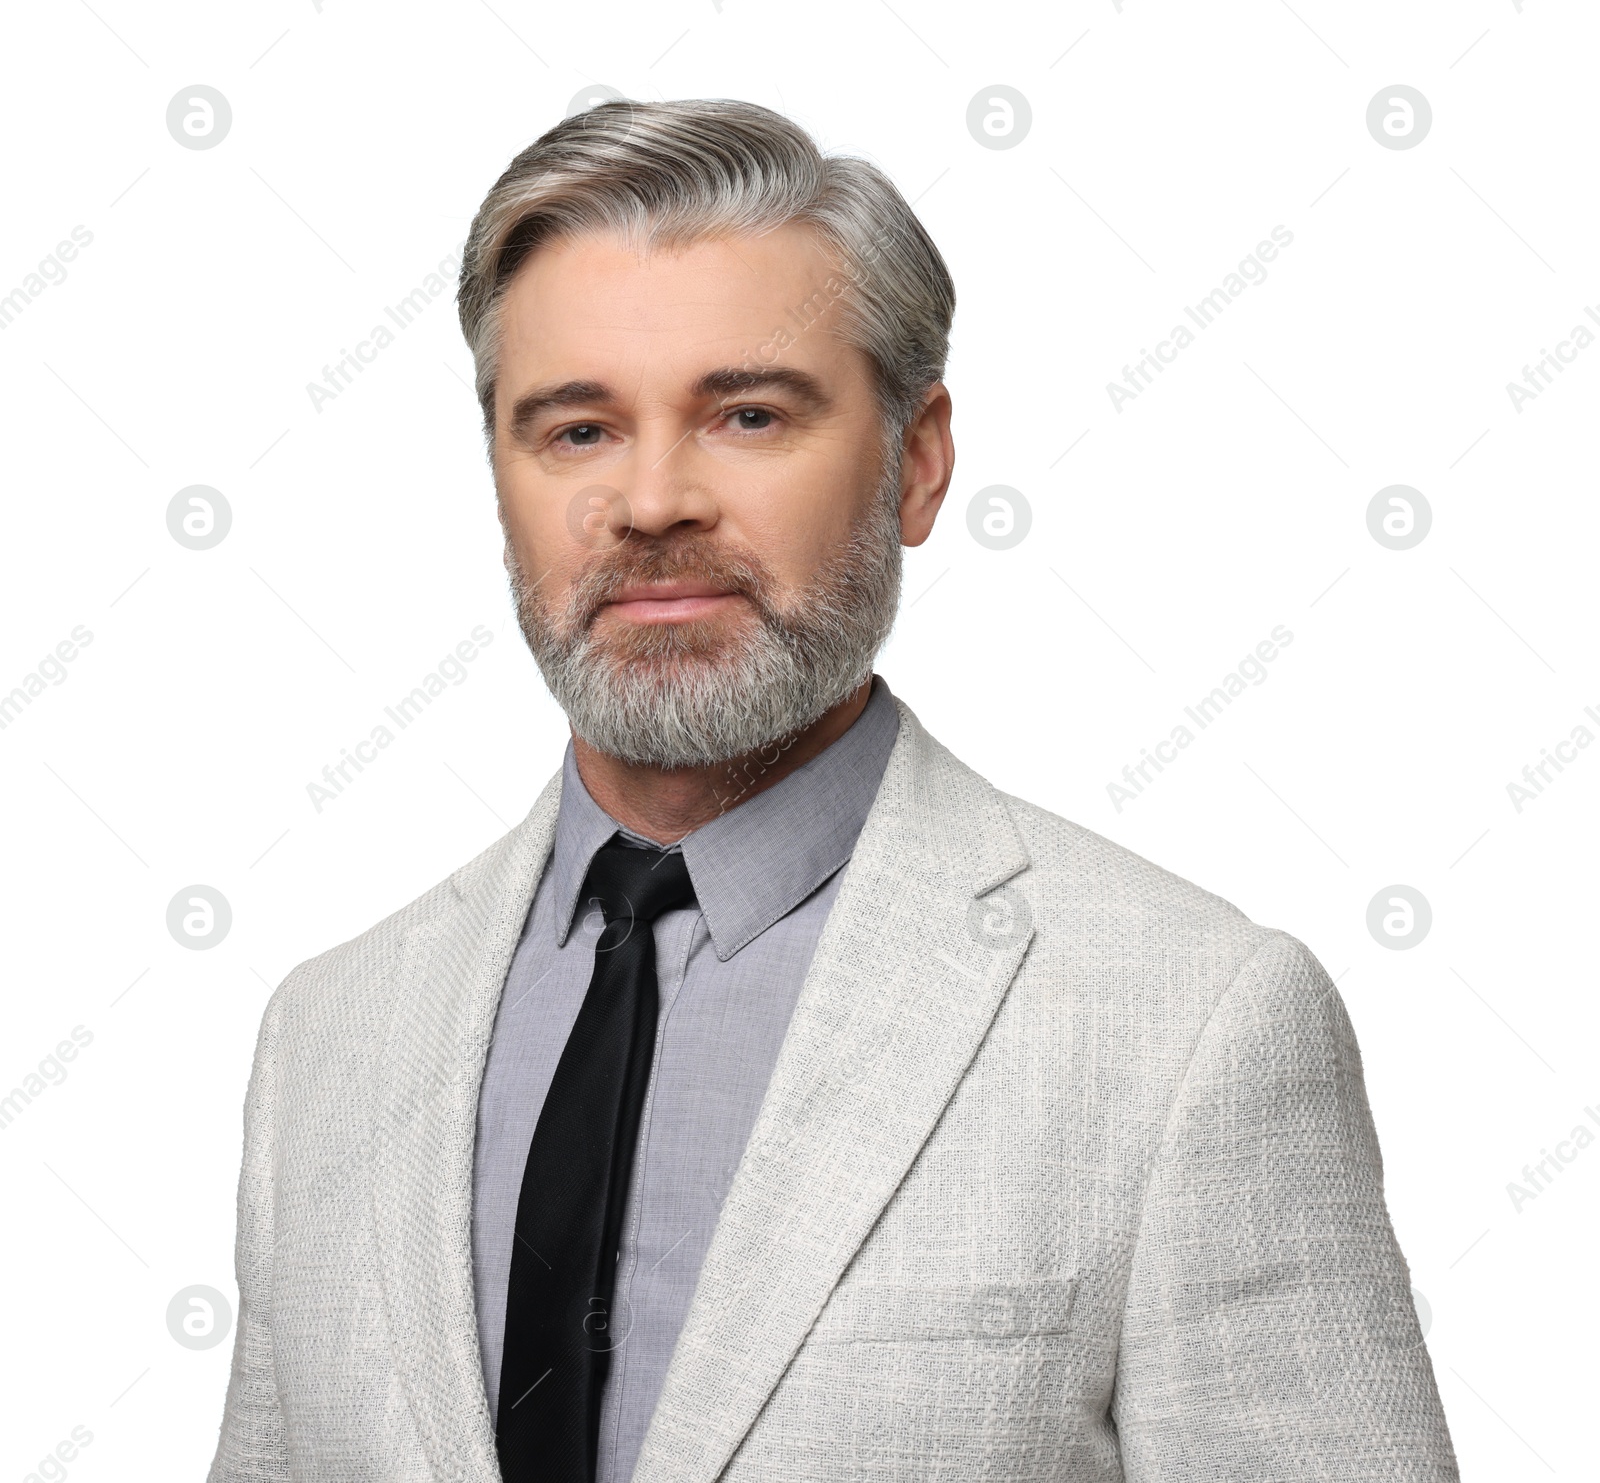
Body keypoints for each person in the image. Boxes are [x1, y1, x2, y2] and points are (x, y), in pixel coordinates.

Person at [208, 98, 1458, 1482]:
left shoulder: (1193, 1027)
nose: (653, 500)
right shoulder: (325, 1041)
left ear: (916, 463)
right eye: (576, 429)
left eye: (747, 413)